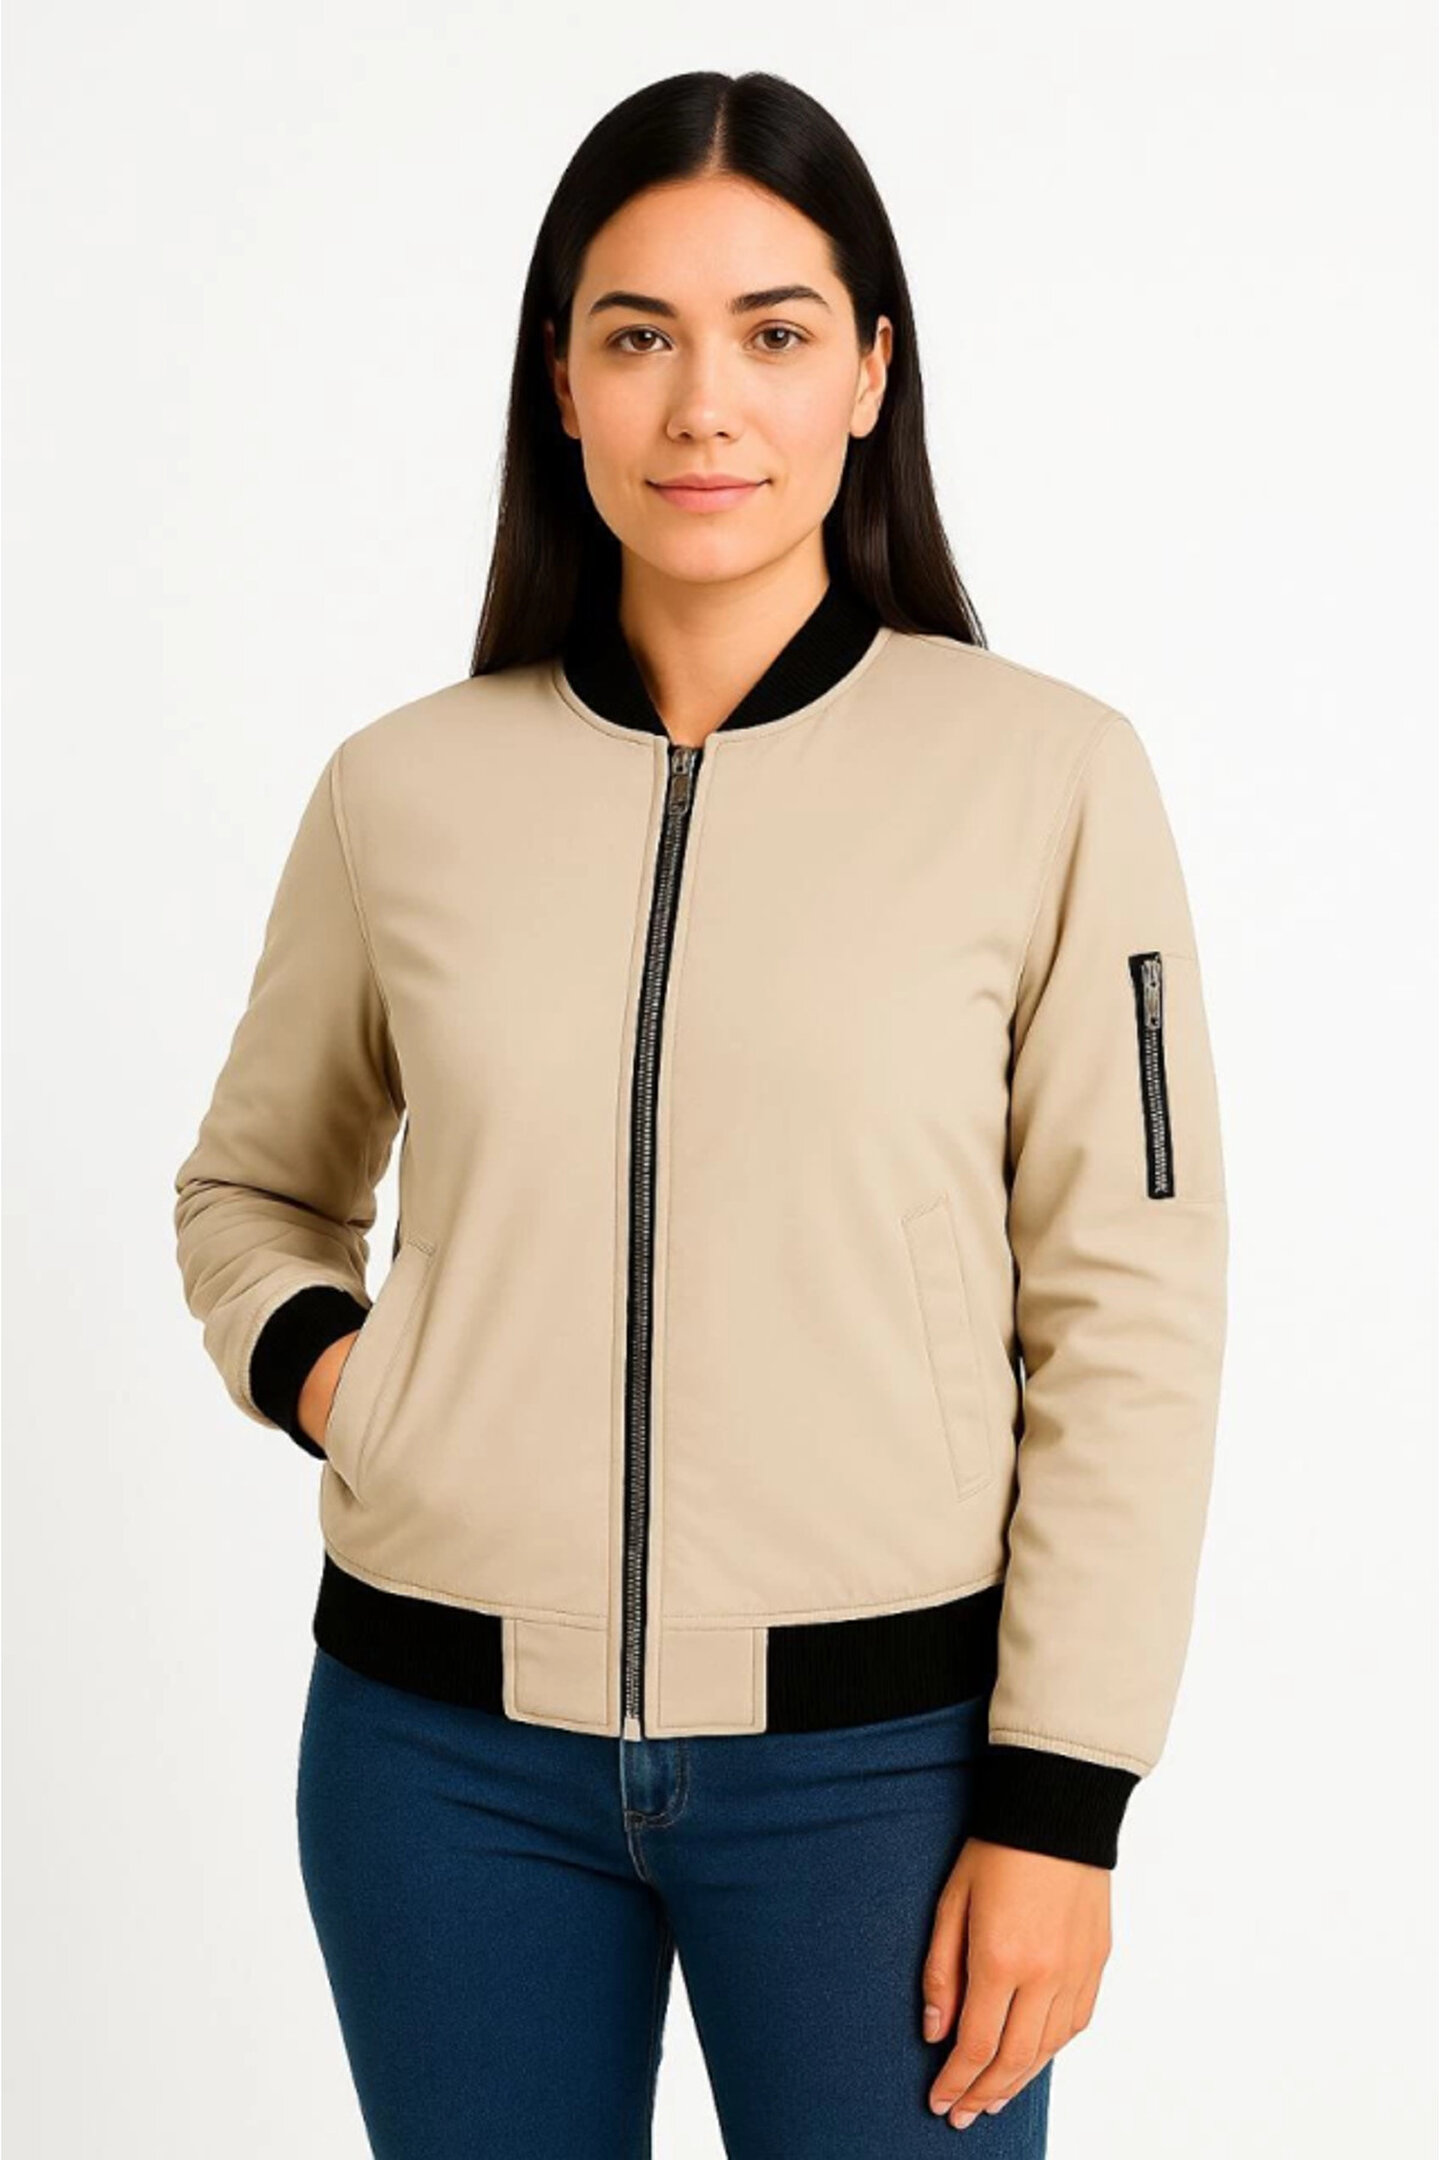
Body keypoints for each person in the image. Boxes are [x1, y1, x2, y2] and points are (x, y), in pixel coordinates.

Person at [172, 68, 1228, 2160]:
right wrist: (342, 1381)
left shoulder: (1047, 780)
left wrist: (1062, 1802)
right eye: (640, 334)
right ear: (561, 381)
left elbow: (1134, 1311)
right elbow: (253, 1188)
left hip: (886, 1778)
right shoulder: (404, 793)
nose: (704, 404)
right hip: (436, 1764)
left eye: (775, 331)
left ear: (870, 375)